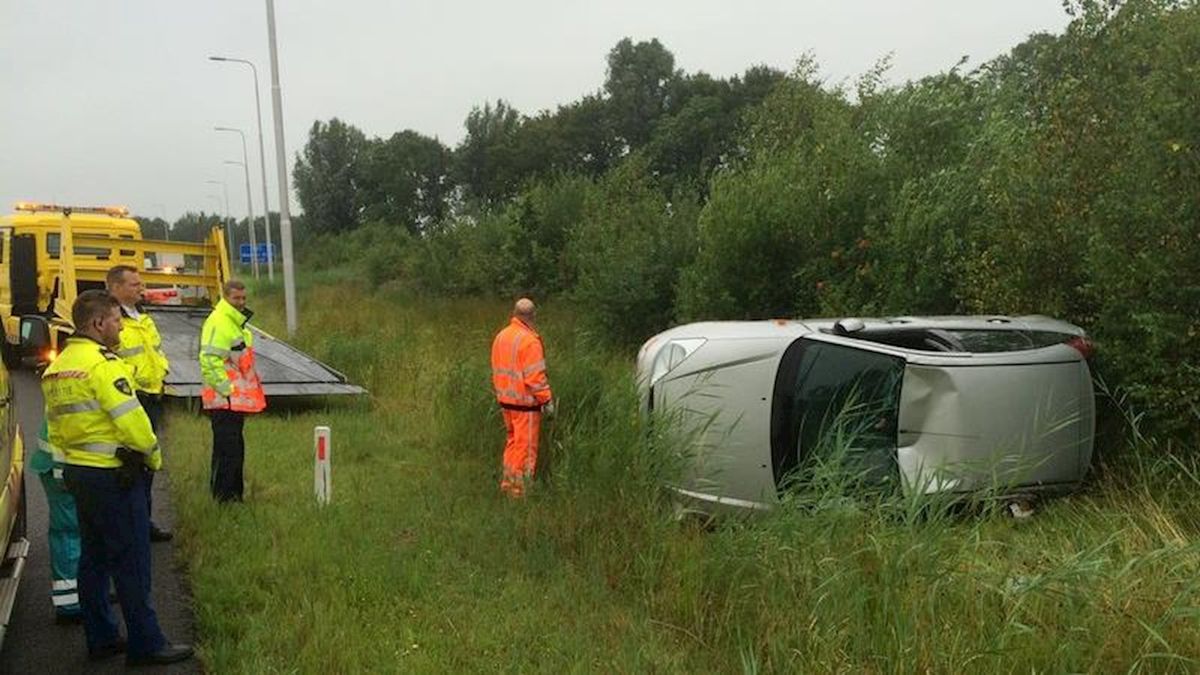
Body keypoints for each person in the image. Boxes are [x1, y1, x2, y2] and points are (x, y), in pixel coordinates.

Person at [44, 289, 192, 666]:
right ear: (98, 323)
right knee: (133, 561)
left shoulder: (58, 367)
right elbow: (133, 422)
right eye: (115, 320)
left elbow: (56, 428)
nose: (121, 327)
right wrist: (153, 456)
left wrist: (66, 468)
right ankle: (147, 644)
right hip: (113, 475)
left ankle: (102, 638)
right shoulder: (103, 365)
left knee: (93, 558)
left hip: (79, 474)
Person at [106, 265, 173, 542]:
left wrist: (162, 371)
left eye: (140, 283)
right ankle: (131, 526)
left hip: (153, 395)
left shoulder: (142, 317)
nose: (141, 288)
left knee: (147, 466)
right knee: (131, 465)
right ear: (116, 287)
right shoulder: (110, 320)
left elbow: (155, 351)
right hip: (131, 398)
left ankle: (143, 522)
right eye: (134, 284)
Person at [198, 279, 265, 502]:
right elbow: (209, 360)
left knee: (234, 449)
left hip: (233, 400)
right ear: (225, 297)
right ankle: (224, 498)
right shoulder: (219, 321)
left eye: (243, 298)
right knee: (227, 451)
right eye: (236, 298)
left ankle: (234, 496)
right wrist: (227, 389)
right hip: (224, 399)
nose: (241, 302)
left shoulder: (234, 322)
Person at [490, 298, 554, 498]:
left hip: (506, 402)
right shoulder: (530, 341)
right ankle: (519, 492)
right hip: (525, 406)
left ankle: (508, 484)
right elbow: (535, 379)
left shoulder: (501, 336)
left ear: (515, 314)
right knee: (525, 449)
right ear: (533, 316)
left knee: (513, 444)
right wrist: (547, 400)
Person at [31, 420, 82, 623]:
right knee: (69, 532)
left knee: (72, 531)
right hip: (63, 467)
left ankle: (82, 591)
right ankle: (69, 603)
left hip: (58, 464)